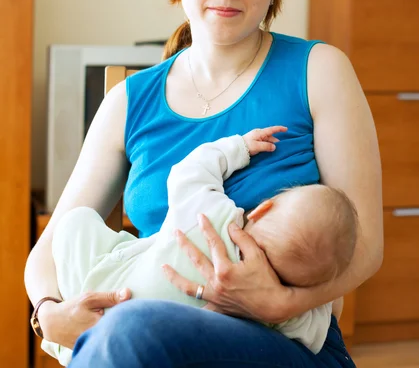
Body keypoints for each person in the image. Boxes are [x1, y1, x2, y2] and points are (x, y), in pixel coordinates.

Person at [25, 0, 383, 368]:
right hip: (144, 337)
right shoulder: (129, 102)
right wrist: (50, 314)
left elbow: (366, 244)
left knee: (128, 331)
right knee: (125, 334)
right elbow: (50, 247)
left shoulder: (319, 71)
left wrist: (283, 304)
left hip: (284, 345)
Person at [42, 127, 359, 365]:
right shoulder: (290, 315)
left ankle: (73, 344)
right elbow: (318, 330)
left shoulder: (213, 217)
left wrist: (238, 147)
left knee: (77, 222)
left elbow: (188, 173)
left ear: (264, 208)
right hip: (139, 322)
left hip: (110, 291)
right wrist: (301, 296)